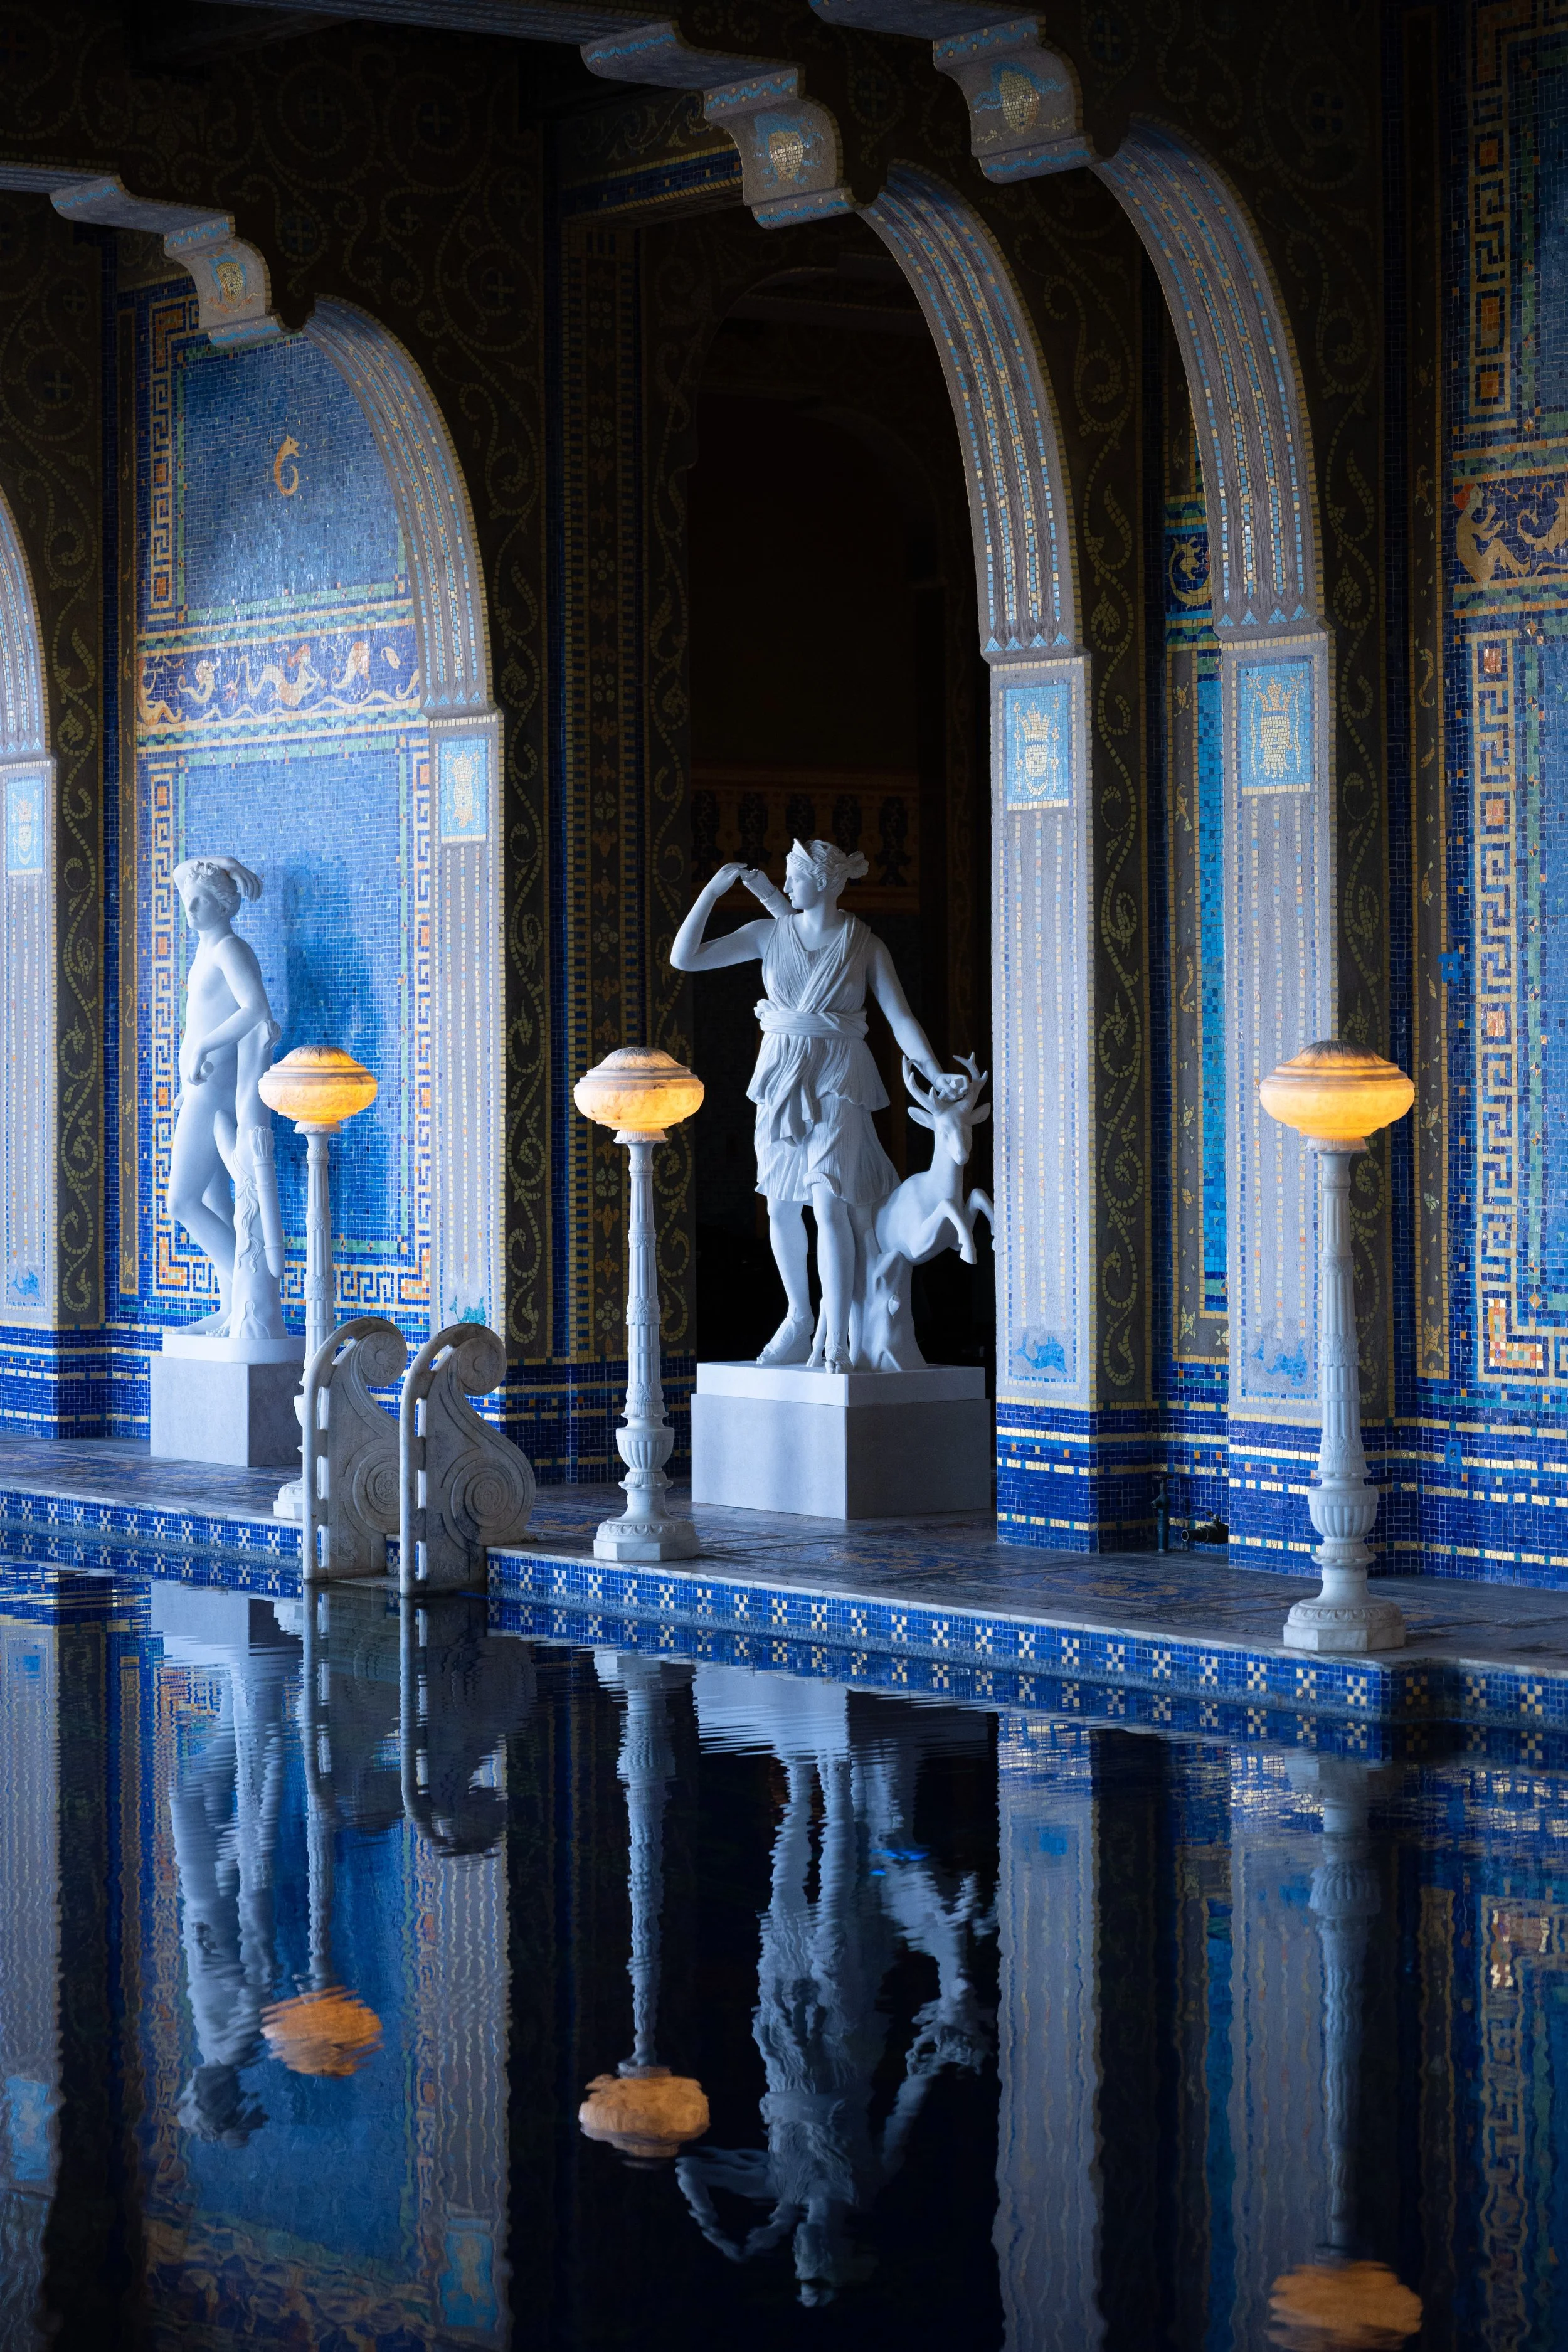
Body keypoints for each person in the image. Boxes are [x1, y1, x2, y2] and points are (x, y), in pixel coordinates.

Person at [670, 839, 962, 1373]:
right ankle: (800, 1317)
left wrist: (935, 1070)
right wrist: (714, 889)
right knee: (780, 1204)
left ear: (824, 881)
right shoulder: (768, 933)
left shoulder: (865, 945)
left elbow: (900, 1019)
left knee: (828, 1201)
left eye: (794, 877)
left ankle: (839, 1334)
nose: (784, 887)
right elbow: (685, 957)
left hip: (840, 1074)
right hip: (783, 1072)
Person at [169, 855, 287, 1345]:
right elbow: (181, 872)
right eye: (187, 902)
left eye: (200, 902)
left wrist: (201, 1046)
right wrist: (227, 863)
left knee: (182, 1201)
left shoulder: (230, 949)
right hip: (197, 1089)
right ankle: (229, 1309)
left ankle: (243, 1297)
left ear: (223, 907)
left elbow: (256, 1008)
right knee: (218, 1203)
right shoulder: (207, 945)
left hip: (213, 1090)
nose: (189, 908)